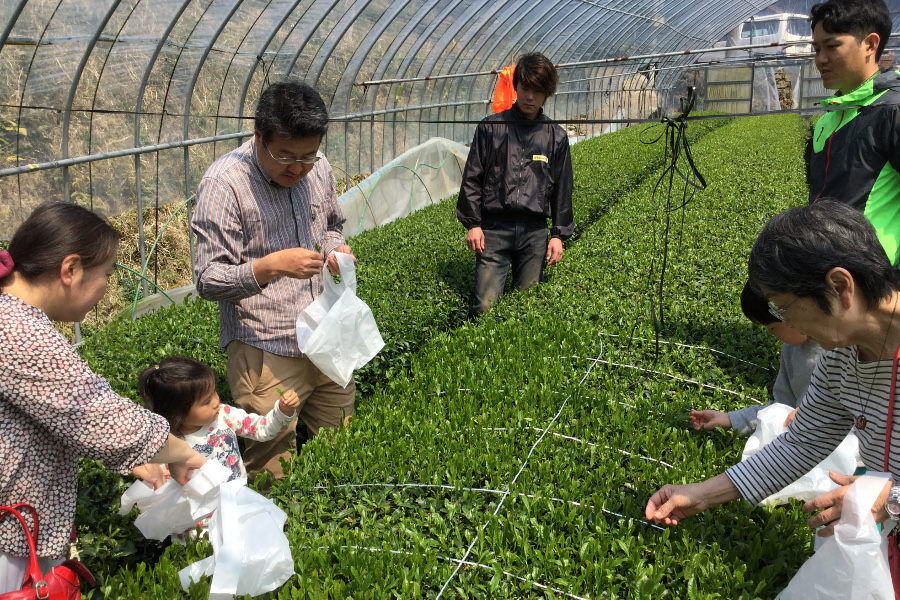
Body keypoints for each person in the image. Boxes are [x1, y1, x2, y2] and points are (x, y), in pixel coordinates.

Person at [645, 201, 900, 593]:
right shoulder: (840, 358)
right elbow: (802, 442)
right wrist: (701, 495)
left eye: (785, 308)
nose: (787, 323)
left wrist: (892, 499)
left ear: (839, 287)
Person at [0, 202, 206, 594]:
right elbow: (96, 414)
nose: (107, 288)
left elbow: (57, 415)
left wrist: (134, 457)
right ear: (70, 269)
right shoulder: (18, 330)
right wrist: (183, 453)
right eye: (107, 275)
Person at [192, 80, 356, 480]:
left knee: (342, 450)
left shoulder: (320, 168)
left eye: (307, 156)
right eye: (285, 155)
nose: (297, 168)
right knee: (272, 469)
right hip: (267, 349)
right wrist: (269, 267)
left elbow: (330, 224)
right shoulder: (225, 184)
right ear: (259, 136)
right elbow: (208, 278)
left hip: (326, 336)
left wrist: (335, 249)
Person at [456, 52, 574, 315]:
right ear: (516, 86)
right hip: (494, 230)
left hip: (534, 233)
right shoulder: (490, 129)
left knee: (525, 307)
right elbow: (472, 178)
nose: (530, 97)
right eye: (525, 89)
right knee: (485, 307)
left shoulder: (555, 136)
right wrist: (473, 224)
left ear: (547, 93)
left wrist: (558, 235)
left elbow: (562, 188)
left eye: (537, 91)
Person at [807, 0, 900, 270]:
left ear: (870, 44)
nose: (820, 59)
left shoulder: (892, 110)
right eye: (817, 49)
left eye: (832, 46)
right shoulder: (828, 120)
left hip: (876, 279)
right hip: (831, 274)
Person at [136, 355, 300, 484]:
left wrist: (282, 412)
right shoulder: (167, 444)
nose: (216, 402)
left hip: (237, 496)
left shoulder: (224, 414)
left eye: (214, 392)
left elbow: (262, 429)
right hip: (201, 513)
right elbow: (162, 481)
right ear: (177, 412)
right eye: (206, 401)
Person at [690, 282, 823, 435]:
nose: (771, 333)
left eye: (772, 326)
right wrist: (729, 419)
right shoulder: (790, 351)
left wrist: (810, 416)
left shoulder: (838, 351)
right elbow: (780, 408)